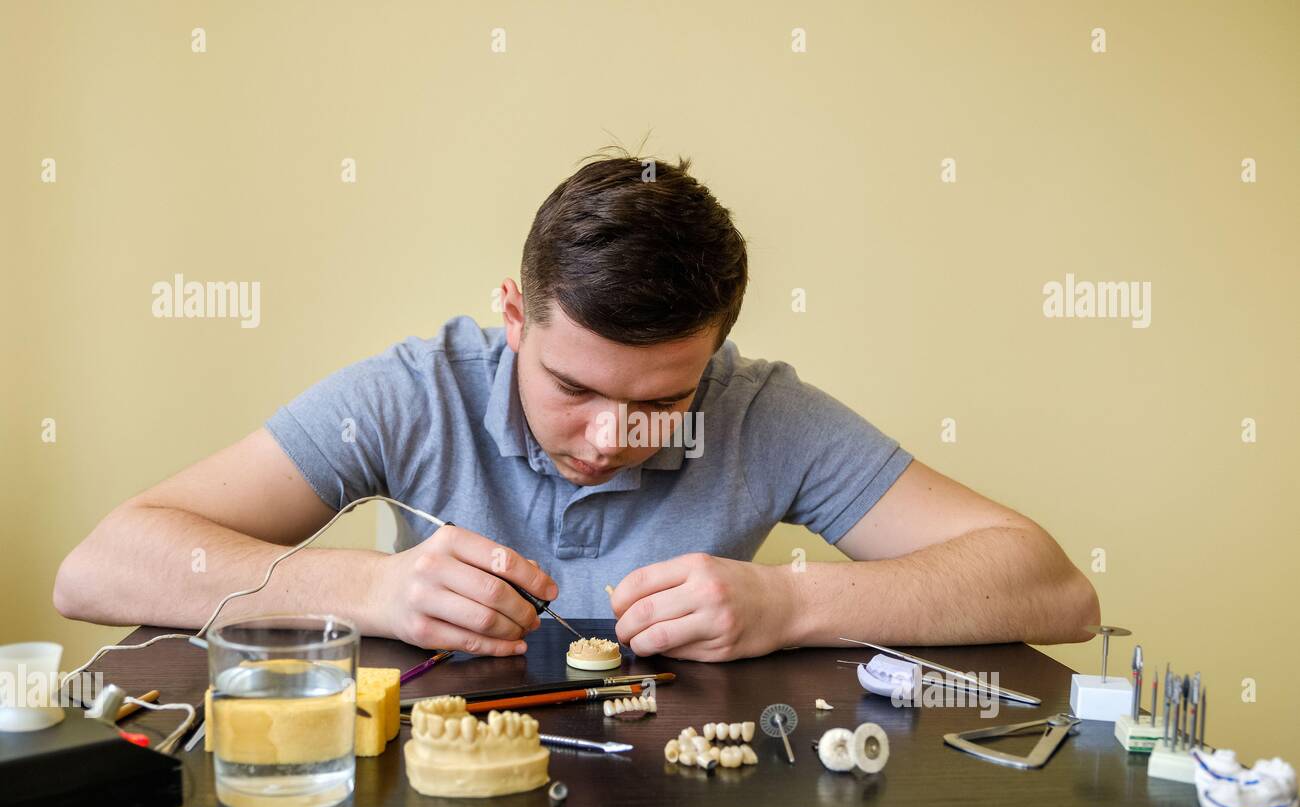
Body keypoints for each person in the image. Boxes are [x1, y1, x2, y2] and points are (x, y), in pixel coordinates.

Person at [54, 151, 1099, 662]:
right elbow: (99, 566)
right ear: (513, 313)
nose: (609, 437)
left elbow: (1053, 587)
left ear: (716, 353)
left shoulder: (759, 411)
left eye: (660, 400)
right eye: (573, 387)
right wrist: (367, 588)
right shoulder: (415, 391)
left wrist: (794, 603)